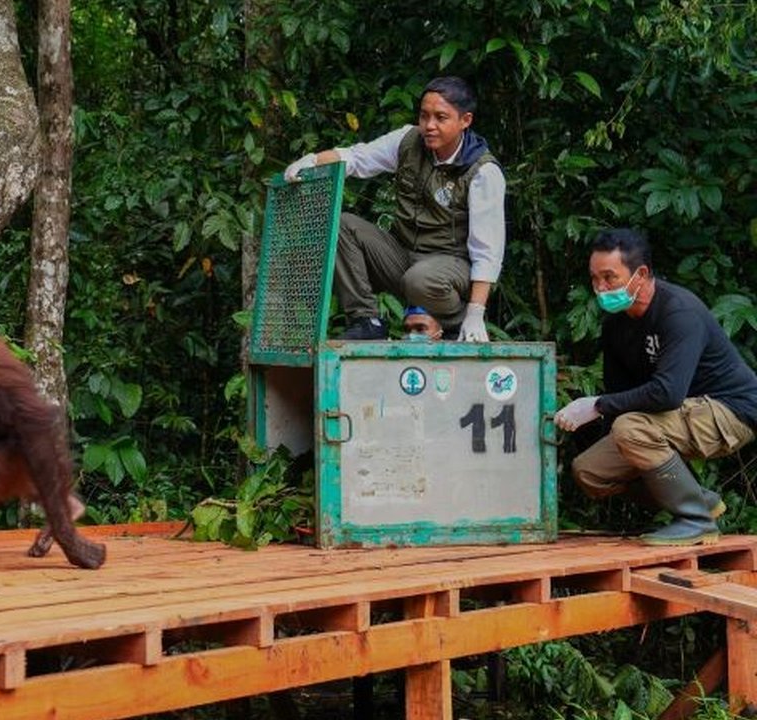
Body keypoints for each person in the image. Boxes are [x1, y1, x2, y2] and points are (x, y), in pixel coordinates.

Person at [555, 228, 757, 545]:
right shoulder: (616, 324)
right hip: (676, 415)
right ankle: (699, 501)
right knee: (589, 470)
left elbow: (667, 393)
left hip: (731, 411)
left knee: (629, 428)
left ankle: (695, 520)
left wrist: (595, 405)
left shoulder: (679, 312)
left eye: (609, 277)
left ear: (642, 274)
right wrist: (598, 416)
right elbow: (619, 391)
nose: (600, 288)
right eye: (594, 279)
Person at [283, 76, 506, 341]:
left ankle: (457, 323)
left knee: (420, 279)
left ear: (465, 121)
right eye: (424, 116)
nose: (429, 126)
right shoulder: (408, 141)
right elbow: (358, 157)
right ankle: (367, 320)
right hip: (403, 256)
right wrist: (313, 160)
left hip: (449, 266)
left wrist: (475, 313)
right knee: (342, 224)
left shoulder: (483, 171)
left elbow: (487, 251)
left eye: (441, 118)